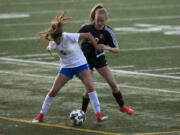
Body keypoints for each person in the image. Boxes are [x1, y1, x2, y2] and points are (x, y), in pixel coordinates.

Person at [32, 11, 108, 123]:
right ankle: (41, 115)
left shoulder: (69, 37)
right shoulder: (54, 41)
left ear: (61, 36)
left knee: (90, 87)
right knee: (54, 91)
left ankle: (98, 115)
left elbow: (88, 35)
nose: (56, 43)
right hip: (67, 68)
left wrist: (96, 46)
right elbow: (50, 45)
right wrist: (49, 48)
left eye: (57, 40)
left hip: (80, 65)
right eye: (54, 41)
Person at [78, 4, 134, 119]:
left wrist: (106, 47)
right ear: (94, 17)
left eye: (102, 21)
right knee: (89, 88)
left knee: (113, 84)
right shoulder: (86, 28)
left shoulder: (108, 31)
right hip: (85, 60)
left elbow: (117, 49)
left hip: (99, 59)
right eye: (98, 20)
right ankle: (83, 112)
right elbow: (74, 40)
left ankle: (122, 106)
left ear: (106, 20)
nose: (99, 23)